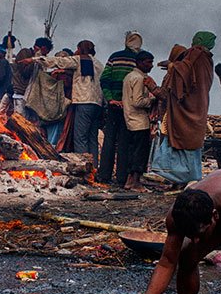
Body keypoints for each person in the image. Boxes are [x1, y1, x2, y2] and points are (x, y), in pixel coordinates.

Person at [147, 32, 216, 187]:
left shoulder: (196, 53)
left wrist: (171, 68)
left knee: (180, 142)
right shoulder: (207, 60)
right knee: (187, 144)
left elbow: (183, 74)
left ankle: (179, 176)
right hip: (197, 108)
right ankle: (188, 178)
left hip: (185, 111)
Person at [30, 39, 104, 163]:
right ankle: (94, 167)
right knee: (92, 138)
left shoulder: (79, 60)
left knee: (80, 137)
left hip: (83, 102)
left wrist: (35, 60)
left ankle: (83, 166)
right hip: (97, 104)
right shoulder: (99, 64)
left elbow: (60, 61)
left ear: (80, 49)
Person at [98, 30, 143, 185]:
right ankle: (122, 178)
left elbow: (104, 79)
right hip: (129, 107)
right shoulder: (139, 60)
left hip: (113, 106)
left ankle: (104, 175)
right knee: (124, 142)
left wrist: (110, 99)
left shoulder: (114, 57)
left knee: (109, 140)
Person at [122, 50, 156, 191]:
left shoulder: (129, 76)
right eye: (148, 62)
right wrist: (153, 99)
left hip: (130, 119)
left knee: (133, 151)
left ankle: (130, 182)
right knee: (139, 153)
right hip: (139, 120)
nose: (151, 65)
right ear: (140, 62)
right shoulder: (139, 78)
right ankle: (135, 183)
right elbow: (138, 101)